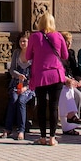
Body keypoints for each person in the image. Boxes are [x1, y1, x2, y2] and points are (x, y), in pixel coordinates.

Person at [25, 13, 68, 146]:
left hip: (40, 75)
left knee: (42, 107)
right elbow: (65, 55)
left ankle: (42, 137)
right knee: (54, 107)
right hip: (56, 74)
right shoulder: (58, 36)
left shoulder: (34, 37)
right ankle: (52, 138)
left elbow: (27, 56)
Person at [2, 31, 35, 140]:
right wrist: (17, 75)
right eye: (21, 41)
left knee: (21, 101)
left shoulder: (33, 55)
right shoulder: (16, 53)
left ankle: (21, 130)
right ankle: (7, 129)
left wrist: (26, 86)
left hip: (29, 86)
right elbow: (11, 70)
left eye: (25, 41)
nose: (22, 43)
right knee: (13, 99)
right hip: (16, 83)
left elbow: (35, 75)